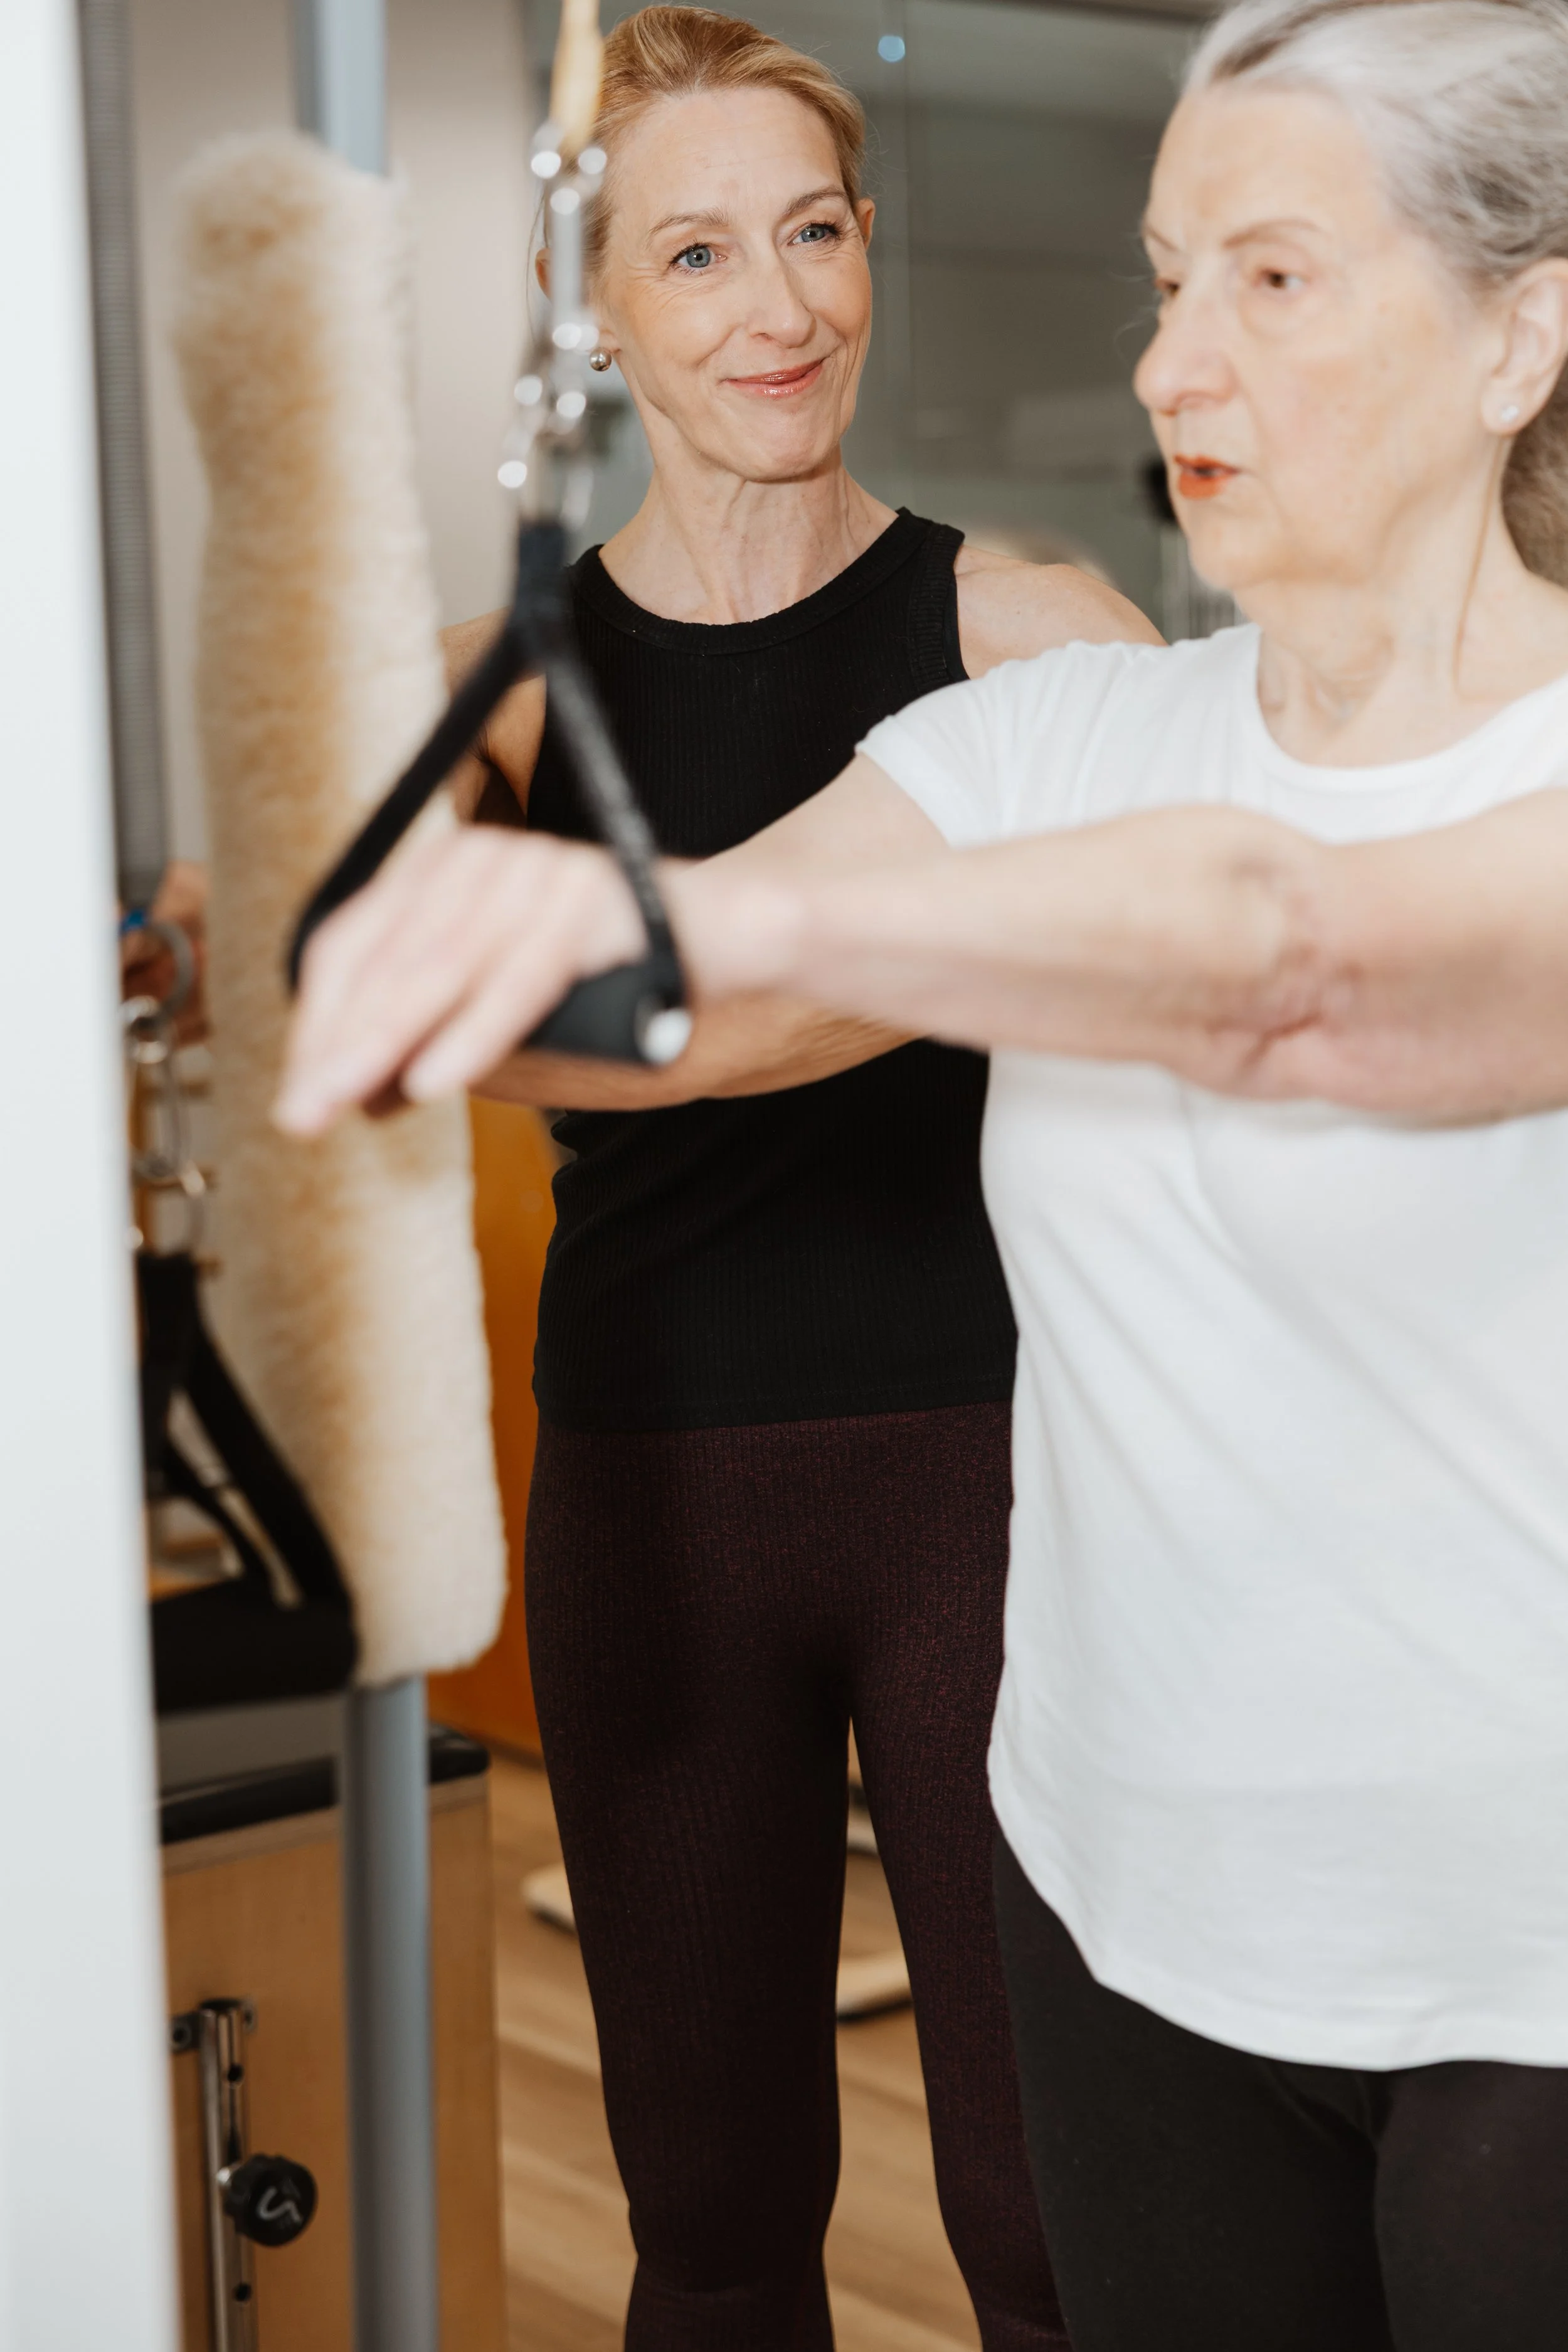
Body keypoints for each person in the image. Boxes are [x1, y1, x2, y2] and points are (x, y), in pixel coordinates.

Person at [280, 3, 1568, 2346]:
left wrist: (673, 921)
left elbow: (1291, 956)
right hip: (1031, 1811)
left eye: (1264, 280)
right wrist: (389, 953)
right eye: (1165, 280)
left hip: (1424, 1877)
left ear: (1521, 332)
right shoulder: (1045, 731)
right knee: (750, 2216)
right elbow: (705, 1007)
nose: (1179, 359)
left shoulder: (1101, 679)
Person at [404, 13, 1157, 2349]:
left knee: (1053, 2216)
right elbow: (347, 965)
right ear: (597, 306)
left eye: (816, 234)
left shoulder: (1027, 631)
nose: (780, 310)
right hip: (654, 1495)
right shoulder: (501, 697)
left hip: (989, 1481)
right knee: (713, 2226)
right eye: (700, 251)